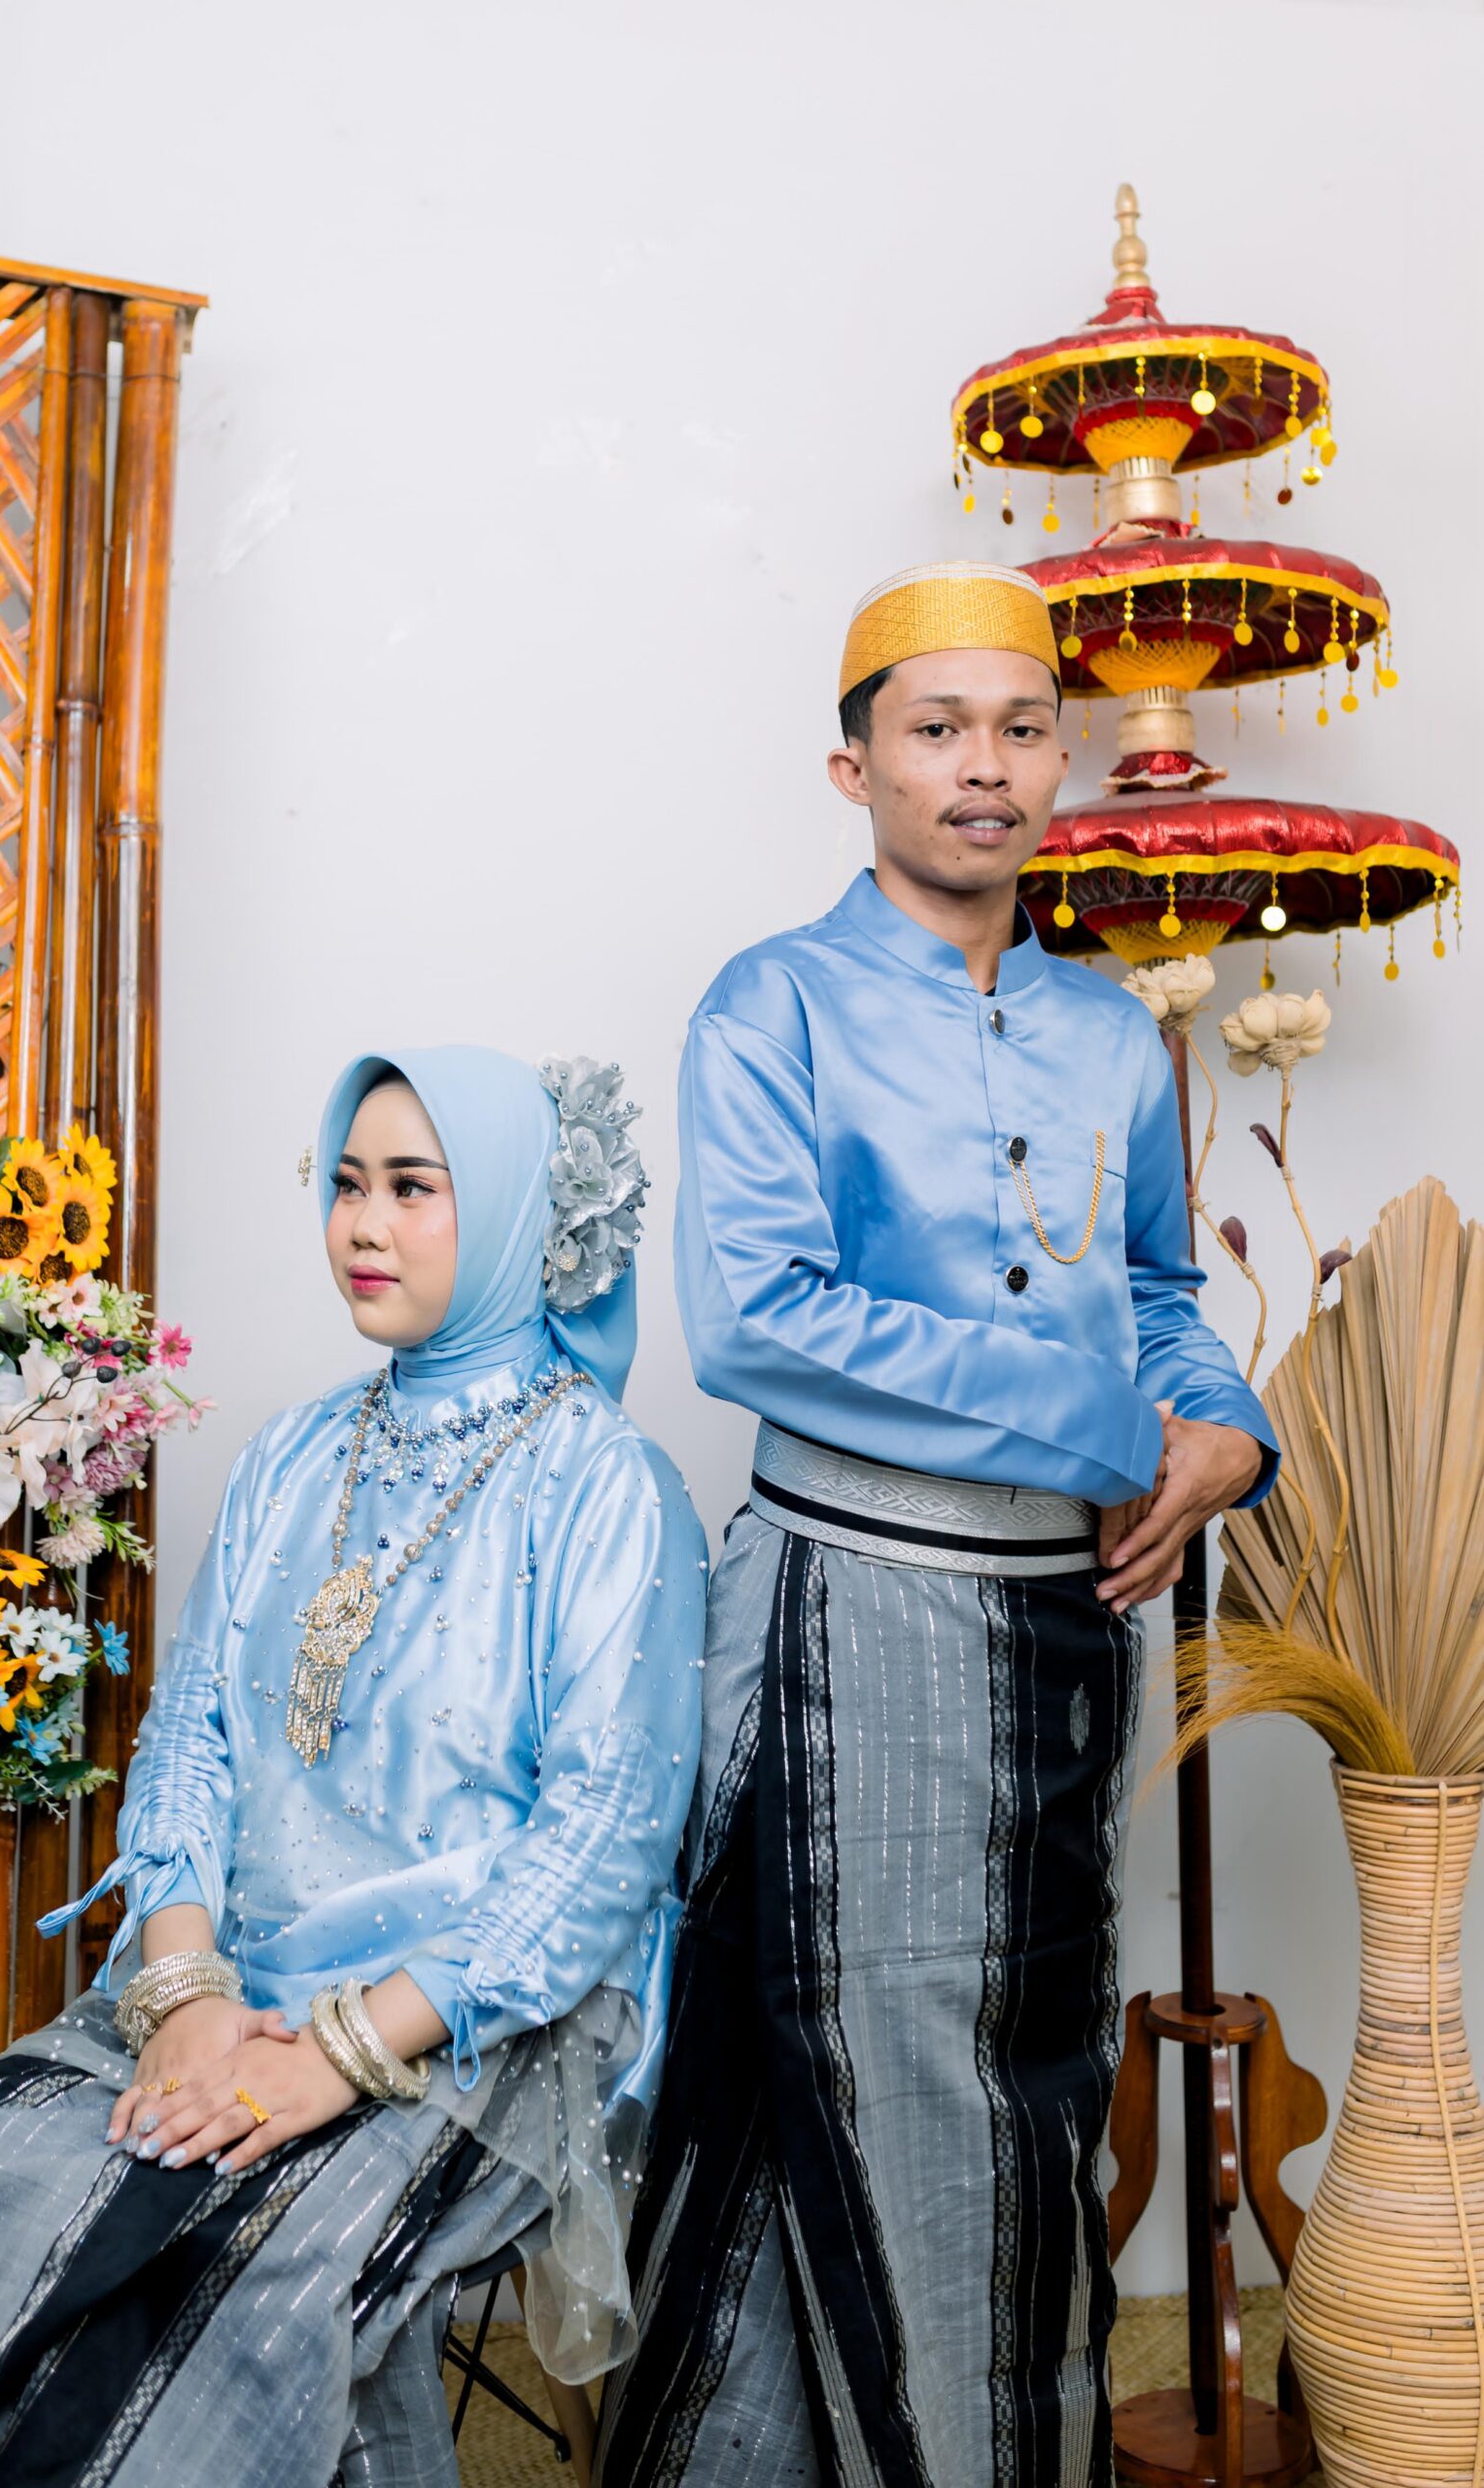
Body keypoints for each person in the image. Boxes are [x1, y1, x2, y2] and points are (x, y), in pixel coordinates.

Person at [596, 563, 1278, 2488]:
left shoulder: (1105, 1033)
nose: (985, 767)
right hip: (854, 1615)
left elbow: (1155, 1293)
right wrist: (1108, 1424)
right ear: (855, 767)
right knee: (857, 2083)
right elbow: (758, 1318)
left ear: (1060, 759)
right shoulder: (773, 1006)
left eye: (1022, 728)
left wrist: (1223, 1433)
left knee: (1024, 2089)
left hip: (1068, 1626)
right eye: (937, 728)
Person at [0, 1043, 706, 2488]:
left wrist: (339, 2057)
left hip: (472, 2020)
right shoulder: (294, 1456)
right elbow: (190, 1738)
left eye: (413, 1188)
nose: (363, 1225)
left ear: (515, 1212)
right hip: (237, 1977)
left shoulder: (608, 1486)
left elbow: (600, 1843)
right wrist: (184, 1994)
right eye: (349, 1184)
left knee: (245, 2268)